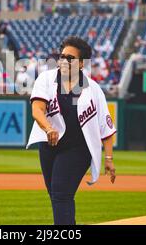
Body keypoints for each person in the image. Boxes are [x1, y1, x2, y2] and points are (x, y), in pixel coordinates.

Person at [27, 36, 117, 225]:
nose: (64, 61)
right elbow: (37, 109)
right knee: (55, 193)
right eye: (62, 56)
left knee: (61, 193)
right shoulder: (46, 78)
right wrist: (48, 128)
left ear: (82, 64)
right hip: (50, 144)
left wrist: (109, 159)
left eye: (70, 58)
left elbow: (106, 127)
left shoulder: (93, 89)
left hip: (78, 148)